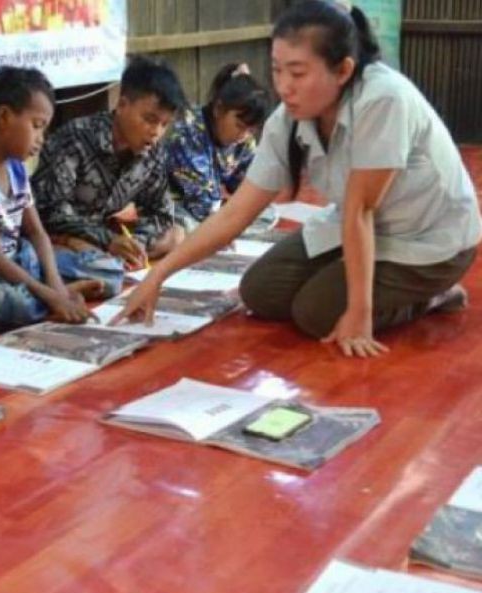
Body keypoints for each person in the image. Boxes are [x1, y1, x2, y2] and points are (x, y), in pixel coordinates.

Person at [115, 1, 481, 357]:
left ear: (342, 70)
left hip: (428, 241)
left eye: (298, 73)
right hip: (360, 227)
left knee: (317, 313)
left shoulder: (383, 99)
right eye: (277, 70)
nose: (284, 86)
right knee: (260, 292)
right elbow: (234, 214)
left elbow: (360, 211)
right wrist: (157, 276)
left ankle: (432, 295)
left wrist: (360, 313)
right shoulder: (291, 116)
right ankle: (359, 284)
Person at [0, 66, 120, 329]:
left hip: (21, 261)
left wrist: (55, 287)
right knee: (11, 305)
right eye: (37, 126)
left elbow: (36, 233)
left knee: (111, 273)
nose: (41, 139)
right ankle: (48, 301)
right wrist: (53, 296)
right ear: (4, 117)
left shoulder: (16, 168)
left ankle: (51, 295)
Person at [32, 56, 189, 270]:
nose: (157, 133)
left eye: (165, 124)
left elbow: (161, 212)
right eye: (150, 120)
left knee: (176, 235)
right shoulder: (76, 138)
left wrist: (137, 243)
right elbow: (49, 211)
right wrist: (107, 240)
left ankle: (116, 263)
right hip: (61, 236)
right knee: (91, 260)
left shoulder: (152, 152)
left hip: (105, 237)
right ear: (122, 105)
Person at [164, 63, 271, 230]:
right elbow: (201, 202)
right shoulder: (188, 131)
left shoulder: (244, 138)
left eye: (251, 130)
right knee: (183, 229)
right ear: (218, 109)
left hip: (212, 207)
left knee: (265, 212)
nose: (244, 135)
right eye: (240, 126)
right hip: (178, 208)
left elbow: (250, 185)